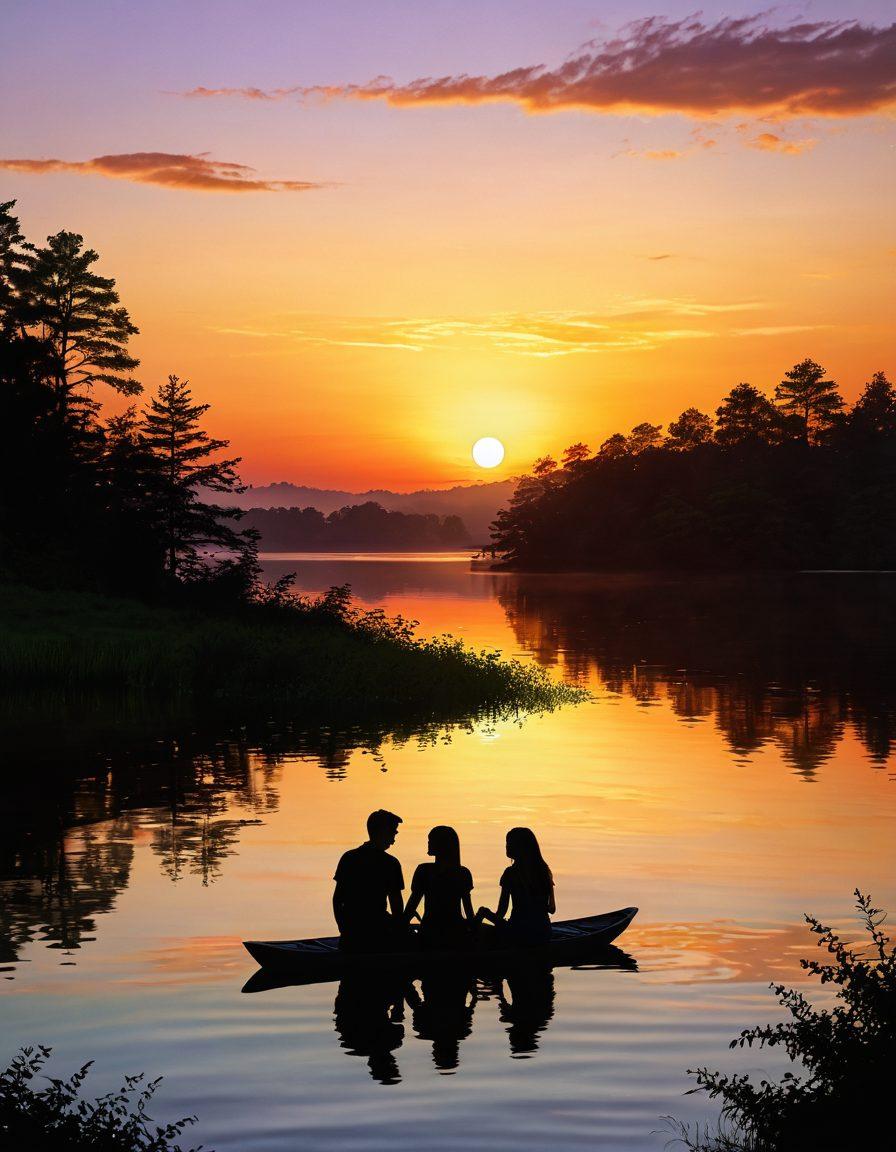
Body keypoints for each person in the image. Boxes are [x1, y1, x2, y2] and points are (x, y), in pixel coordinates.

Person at [333, 810, 405, 952]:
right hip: (379, 933)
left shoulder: (348, 858)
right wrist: (400, 930)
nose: (394, 837)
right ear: (382, 832)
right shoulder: (391, 863)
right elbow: (396, 906)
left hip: (351, 933)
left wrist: (343, 928)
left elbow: (337, 899)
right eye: (393, 831)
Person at [476, 827, 555, 946]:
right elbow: (552, 909)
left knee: (483, 914)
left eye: (509, 843)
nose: (506, 846)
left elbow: (501, 913)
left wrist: (484, 913)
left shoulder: (510, 873)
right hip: (544, 933)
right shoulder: (545, 871)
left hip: (518, 933)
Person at [404, 825, 475, 948]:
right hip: (456, 933)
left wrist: (401, 924)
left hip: (429, 931)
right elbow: (469, 911)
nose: (428, 843)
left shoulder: (423, 870)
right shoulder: (463, 873)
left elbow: (412, 905)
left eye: (431, 840)